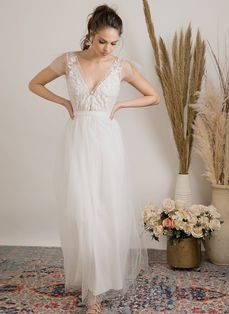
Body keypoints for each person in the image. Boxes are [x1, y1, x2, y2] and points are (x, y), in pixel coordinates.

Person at [28, 4, 160, 314]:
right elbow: (34, 83)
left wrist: (121, 107)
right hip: (78, 142)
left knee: (105, 214)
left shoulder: (121, 66)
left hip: (107, 143)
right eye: (102, 41)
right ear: (90, 35)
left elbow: (152, 95)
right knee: (83, 215)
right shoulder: (68, 60)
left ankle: (96, 293)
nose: (108, 48)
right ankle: (90, 286)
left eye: (114, 43)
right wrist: (62, 101)